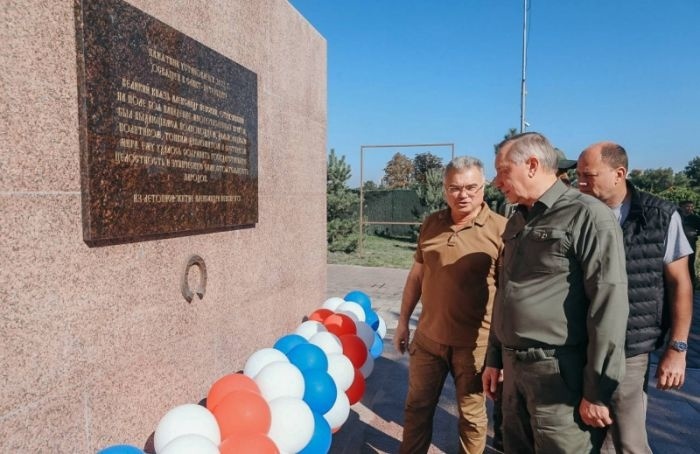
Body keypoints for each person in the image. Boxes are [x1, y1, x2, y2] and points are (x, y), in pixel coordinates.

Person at [482, 132, 629, 453]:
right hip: (514, 372)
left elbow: (608, 306)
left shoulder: (587, 215)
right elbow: (506, 294)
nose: (496, 182)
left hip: (559, 379)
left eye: (503, 170)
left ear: (532, 165)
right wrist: (494, 357)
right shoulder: (517, 219)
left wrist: (597, 391)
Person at [577, 142, 693, 454]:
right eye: (578, 176)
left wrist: (677, 349)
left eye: (588, 176)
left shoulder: (659, 216)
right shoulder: (577, 213)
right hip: (579, 342)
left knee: (629, 440)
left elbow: (680, 284)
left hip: (631, 346)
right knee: (581, 436)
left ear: (619, 174)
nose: (580, 183)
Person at [394, 156, 506, 454]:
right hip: (428, 341)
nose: (463, 195)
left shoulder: (501, 230)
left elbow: (510, 296)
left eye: (471, 187)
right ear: (445, 189)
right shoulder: (432, 223)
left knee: (471, 418)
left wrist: (501, 352)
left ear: (484, 187)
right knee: (416, 409)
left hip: (475, 347)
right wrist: (403, 321)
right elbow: (416, 277)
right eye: (455, 188)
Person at [679, 200, 700, 287]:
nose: (690, 208)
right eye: (687, 206)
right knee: (679, 264)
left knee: (690, 264)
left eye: (691, 206)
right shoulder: (677, 217)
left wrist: (695, 233)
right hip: (678, 244)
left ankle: (691, 284)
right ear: (682, 207)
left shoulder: (695, 218)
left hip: (690, 244)